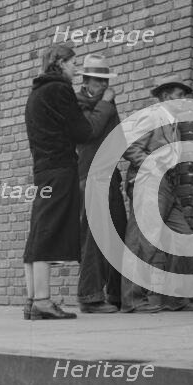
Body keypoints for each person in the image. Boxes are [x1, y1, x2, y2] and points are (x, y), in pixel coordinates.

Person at [23, 44, 116, 320]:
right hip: (60, 167)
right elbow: (84, 131)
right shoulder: (60, 90)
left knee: (38, 228)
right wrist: (105, 105)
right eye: (73, 63)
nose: (76, 70)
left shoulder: (37, 91)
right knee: (48, 231)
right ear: (60, 63)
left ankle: (31, 301)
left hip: (42, 168)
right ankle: (42, 301)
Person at [121, 77, 193, 313]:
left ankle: (174, 298)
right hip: (149, 182)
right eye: (180, 95)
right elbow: (128, 145)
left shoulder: (173, 123)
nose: (184, 100)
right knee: (140, 242)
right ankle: (133, 300)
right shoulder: (152, 115)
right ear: (166, 97)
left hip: (167, 187)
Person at [76, 54, 127, 313]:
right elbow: (90, 129)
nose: (104, 86)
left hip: (110, 176)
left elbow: (118, 138)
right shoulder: (78, 102)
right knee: (94, 237)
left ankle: (118, 295)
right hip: (91, 176)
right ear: (86, 81)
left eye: (106, 81)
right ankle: (90, 297)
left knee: (119, 232)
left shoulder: (108, 105)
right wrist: (106, 104)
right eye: (99, 81)